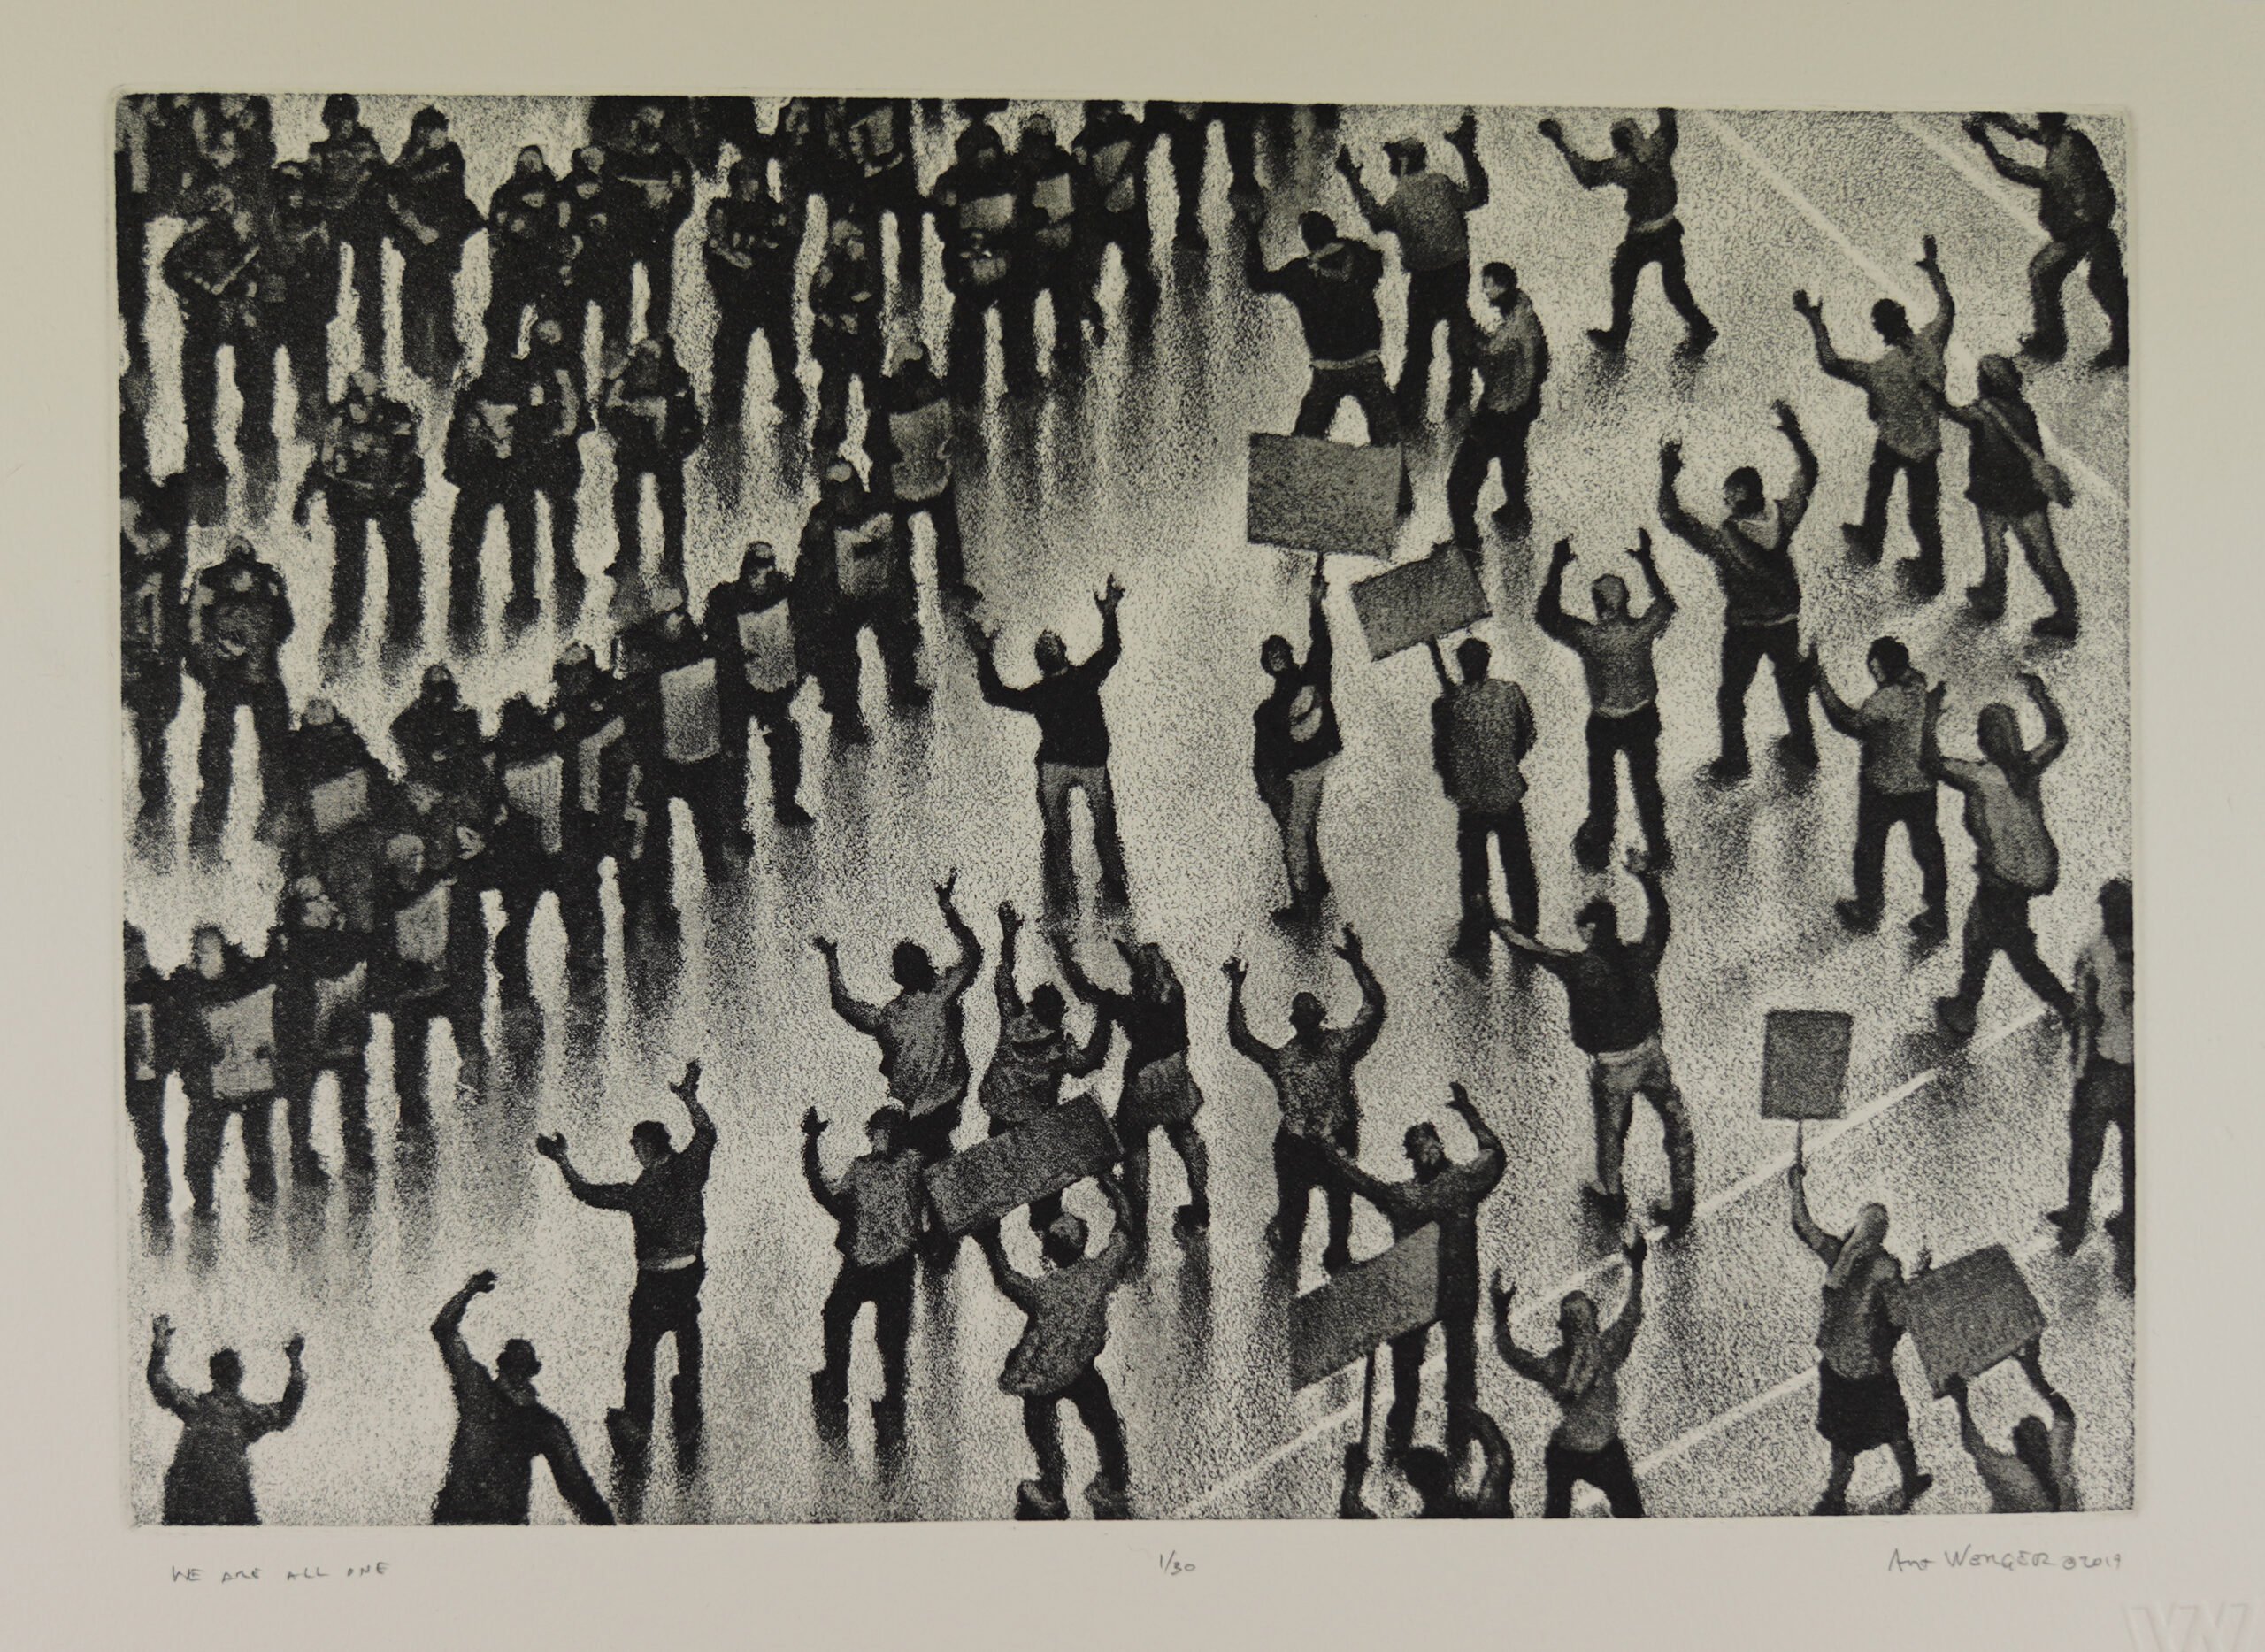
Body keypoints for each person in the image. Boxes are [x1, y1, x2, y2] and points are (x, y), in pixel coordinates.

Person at [1499, 850, 1695, 1232]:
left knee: (1610, 1128)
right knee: (1675, 1122)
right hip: (1651, 1052)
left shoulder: (1579, 968)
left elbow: (1536, 951)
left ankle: (1612, 1191)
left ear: (1589, 930)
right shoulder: (1639, 956)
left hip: (1612, 1064)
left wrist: (1505, 930)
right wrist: (1647, 880)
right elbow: (1661, 924)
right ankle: (1682, 1196)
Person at [1313, 1084, 1506, 1463]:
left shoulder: (1408, 1197)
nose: (1429, 1150)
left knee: (1421, 1376)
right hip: (1450, 1291)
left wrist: (1327, 1147)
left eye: (1428, 1143)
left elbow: (1361, 1182)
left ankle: (1409, 1442)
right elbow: (1495, 1153)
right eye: (1426, 1144)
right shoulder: (1461, 1184)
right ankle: (1448, 1440)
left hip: (1419, 1293)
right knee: (1448, 1373)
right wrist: (1469, 1113)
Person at [537, 1059, 715, 1451]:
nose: (632, 1150)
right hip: (687, 1275)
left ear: (648, 1146)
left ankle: (639, 1423)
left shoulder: (642, 1190)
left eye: (634, 1144)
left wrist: (562, 1160)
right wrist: (690, 1099)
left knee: (640, 1354)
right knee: (687, 1347)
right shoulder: (686, 1170)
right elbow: (706, 1132)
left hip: (655, 1282)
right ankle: (686, 1419)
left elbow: (587, 1193)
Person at [1656, 400, 1820, 781]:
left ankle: (1736, 762)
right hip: (1786, 619)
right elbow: (1809, 472)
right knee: (1791, 684)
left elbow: (1673, 519)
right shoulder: (1784, 516)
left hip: (1746, 626)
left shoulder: (1724, 541)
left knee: (1732, 696)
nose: (1724, 500)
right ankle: (1805, 747)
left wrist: (1667, 474)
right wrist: (1793, 432)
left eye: (1728, 495)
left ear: (1741, 496)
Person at [973, 1168, 1140, 1519]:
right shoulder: (1099, 1273)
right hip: (1082, 1368)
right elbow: (1125, 1229)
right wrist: (1112, 1186)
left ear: (1048, 1251)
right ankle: (1113, 1481)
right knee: (1104, 1423)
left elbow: (1008, 1279)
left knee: (1041, 1427)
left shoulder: (1043, 1294)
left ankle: (1051, 1487)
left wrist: (989, 1239)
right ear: (1083, 1244)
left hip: (1044, 1373)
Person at [1793, 236, 1956, 596]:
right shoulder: (1932, 343)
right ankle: (1933, 572)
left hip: (1893, 441)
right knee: (1922, 512)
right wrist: (1933, 267)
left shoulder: (1880, 372)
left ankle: (1871, 540)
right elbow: (1947, 307)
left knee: (1879, 490)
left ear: (1879, 330)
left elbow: (1830, 363)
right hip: (1926, 444)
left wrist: (1814, 320)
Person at [1921, 672, 2077, 1040]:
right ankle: (1966, 1003)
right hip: (2036, 870)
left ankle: (1971, 1009)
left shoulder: (1979, 776)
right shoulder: (2029, 764)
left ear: (1987, 740)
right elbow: (2058, 736)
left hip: (2004, 877)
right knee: (1986, 934)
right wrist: (2041, 696)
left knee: (2003, 942)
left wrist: (1930, 713)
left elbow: (1931, 761)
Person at [1225, 924, 1387, 1275]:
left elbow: (1243, 1040)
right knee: (1312, 1207)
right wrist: (1235, 990)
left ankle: (1319, 1255)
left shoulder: (1320, 1052)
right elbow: (1374, 1008)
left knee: (1330, 1207)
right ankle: (1306, 1253)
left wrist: (1358, 963)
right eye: (1305, 1011)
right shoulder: (1316, 1052)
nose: (1308, 1015)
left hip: (1316, 1141)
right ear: (1300, 1021)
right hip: (1308, 1143)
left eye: (1310, 1009)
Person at [968, 577, 1131, 911]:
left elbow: (995, 694)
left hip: (1054, 764)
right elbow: (1112, 651)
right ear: (1064, 653)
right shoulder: (1084, 679)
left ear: (1040, 662)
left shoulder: (1039, 695)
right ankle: (1114, 887)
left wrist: (984, 655)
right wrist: (1110, 614)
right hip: (1091, 763)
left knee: (1057, 831)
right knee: (1104, 825)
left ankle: (1060, 891)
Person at [1787, 1159, 1933, 1515]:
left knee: (1844, 1441)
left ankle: (1834, 1498)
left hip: (1837, 1369)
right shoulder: (1886, 1268)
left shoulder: (1838, 1255)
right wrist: (1920, 1277)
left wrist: (1795, 1188)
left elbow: (1804, 1227)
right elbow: (1900, 1315)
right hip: (1872, 1371)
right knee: (1896, 1426)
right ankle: (1910, 1478)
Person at [1240, 206, 1409, 507]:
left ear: (1307, 241)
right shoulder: (1360, 260)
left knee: (1308, 434)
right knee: (1385, 431)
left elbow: (1258, 281)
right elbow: (1378, 259)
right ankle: (1400, 500)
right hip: (1367, 363)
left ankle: (1296, 498)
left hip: (1327, 370)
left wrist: (1252, 232)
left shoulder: (1299, 274)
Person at [812, 872, 983, 1169]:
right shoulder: (893, 1014)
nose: (908, 969)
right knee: (927, 1161)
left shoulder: (938, 995)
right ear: (899, 974)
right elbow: (844, 1005)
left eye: (911, 963)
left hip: (939, 1101)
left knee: (927, 1158)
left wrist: (948, 910)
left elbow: (972, 955)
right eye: (903, 965)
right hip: (920, 1106)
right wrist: (831, 960)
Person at [1051, 931, 1211, 1241]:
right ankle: (1201, 1205)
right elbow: (1148, 974)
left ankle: (1136, 1223)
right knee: (1184, 1135)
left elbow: (1084, 990)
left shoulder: (1124, 1007)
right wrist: (1126, 950)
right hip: (1176, 1075)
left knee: (1135, 1146)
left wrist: (1063, 954)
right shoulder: (1175, 995)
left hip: (1143, 1084)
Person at [1536, 533, 1676, 873]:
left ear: (1598, 604)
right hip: (1642, 715)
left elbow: (1546, 615)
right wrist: (1648, 563)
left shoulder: (1589, 638)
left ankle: (1598, 850)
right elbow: (1667, 606)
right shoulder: (1641, 632)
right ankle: (1659, 849)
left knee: (1603, 791)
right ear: (1626, 601)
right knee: (1646, 786)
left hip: (1604, 721)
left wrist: (1556, 567)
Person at [1337, 111, 1491, 419]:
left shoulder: (1402, 196)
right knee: (1457, 332)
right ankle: (1459, 396)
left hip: (1424, 279)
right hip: (1455, 271)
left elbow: (1377, 220)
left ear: (1406, 161)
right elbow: (1476, 196)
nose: (1391, 165)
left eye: (1393, 158)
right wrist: (1466, 153)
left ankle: (1410, 401)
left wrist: (1354, 180)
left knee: (1419, 342)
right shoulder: (1441, 184)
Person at [429, 1271, 614, 1525]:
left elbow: (443, 1329)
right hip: (504, 1527)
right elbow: (579, 1492)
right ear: (531, 1373)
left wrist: (469, 1290)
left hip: (454, 1520)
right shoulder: (543, 1425)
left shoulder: (476, 1391)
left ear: (500, 1367)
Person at [977, 902, 1115, 1235]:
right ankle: (1047, 1234)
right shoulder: (1057, 1047)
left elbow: (1002, 977)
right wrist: (1105, 1019)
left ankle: (993, 1236)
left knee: (1000, 1182)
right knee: (1046, 1193)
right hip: (1034, 1123)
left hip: (1001, 1116)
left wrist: (1008, 935)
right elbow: (1087, 1064)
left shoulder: (1013, 1021)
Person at [1491, 1228, 1649, 1517]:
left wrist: (1500, 1314)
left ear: (1562, 1329)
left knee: (1556, 1514)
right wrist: (1637, 1267)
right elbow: (1632, 1314)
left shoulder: (1554, 1367)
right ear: (1595, 1321)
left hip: (1566, 1452)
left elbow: (1513, 1356)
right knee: (1632, 1513)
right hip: (1605, 1449)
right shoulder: (1606, 1352)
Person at [1538, 108, 1716, 356]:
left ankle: (1618, 337)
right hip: (1668, 229)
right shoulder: (1658, 149)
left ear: (1618, 145)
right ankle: (1701, 327)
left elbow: (1589, 175)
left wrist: (1561, 142)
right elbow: (1668, 127)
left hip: (1642, 236)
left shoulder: (1623, 166)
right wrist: (1666, 111)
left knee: (1623, 282)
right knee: (1674, 285)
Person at [1809, 636, 1948, 940]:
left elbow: (1848, 723)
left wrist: (1822, 685)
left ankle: (1869, 907)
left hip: (1882, 786)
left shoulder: (1886, 700)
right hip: (1922, 785)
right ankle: (1937, 913)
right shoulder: (1919, 686)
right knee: (1928, 850)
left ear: (1879, 667)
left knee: (1870, 850)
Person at [802, 1105, 925, 1448]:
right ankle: (835, 1384)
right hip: (861, 1261)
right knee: (836, 1317)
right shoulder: (861, 1169)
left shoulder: (914, 1164)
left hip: (895, 1265)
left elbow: (941, 1193)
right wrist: (811, 1145)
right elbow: (828, 1194)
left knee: (892, 1336)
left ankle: (891, 1399)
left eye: (887, 1131)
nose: (880, 1139)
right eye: (876, 1132)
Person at [1934, 355, 2081, 638]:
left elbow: (1954, 413)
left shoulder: (1985, 411)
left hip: (1993, 494)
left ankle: (1995, 600)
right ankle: (2066, 612)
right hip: (2027, 495)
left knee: (1996, 548)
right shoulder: (2023, 410)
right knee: (2044, 556)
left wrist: (1936, 388)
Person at [1963, 113, 2126, 369]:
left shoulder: (2058, 166)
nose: (2038, 132)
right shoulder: (2071, 140)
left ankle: (2059, 344)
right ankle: (2060, 340)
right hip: (2091, 224)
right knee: (2076, 279)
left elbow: (2012, 170)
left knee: (2070, 279)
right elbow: (2036, 136)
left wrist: (1985, 142)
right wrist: (2004, 123)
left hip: (2083, 232)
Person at [617, 576, 744, 894]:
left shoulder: (702, 649)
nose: (679, 618)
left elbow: (725, 698)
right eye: (670, 614)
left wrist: (727, 742)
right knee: (658, 836)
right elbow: (635, 717)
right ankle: (661, 895)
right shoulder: (643, 663)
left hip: (703, 754)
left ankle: (714, 865)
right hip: (664, 762)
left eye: (681, 611)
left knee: (709, 817)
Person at [794, 457, 930, 736]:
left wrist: (904, 591)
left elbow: (900, 550)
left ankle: (903, 685)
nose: (844, 497)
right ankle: (846, 717)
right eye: (837, 490)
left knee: (898, 639)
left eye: (848, 488)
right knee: (842, 662)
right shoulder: (820, 524)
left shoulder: (879, 508)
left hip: (881, 591)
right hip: (842, 601)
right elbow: (808, 569)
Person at [1429, 634, 1539, 956]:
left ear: (1461, 666)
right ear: (1488, 662)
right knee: (1518, 864)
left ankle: (1476, 938)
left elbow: (1441, 754)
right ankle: (1526, 928)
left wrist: (1457, 784)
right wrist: (1506, 762)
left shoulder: (1447, 705)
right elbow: (1527, 735)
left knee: (1475, 871)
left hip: (1472, 801)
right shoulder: (1510, 693)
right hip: (1507, 793)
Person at [298, 371, 424, 646]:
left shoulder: (396, 416)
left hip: (386, 492)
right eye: (355, 400)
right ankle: (346, 619)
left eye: (365, 401)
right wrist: (305, 497)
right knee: (349, 558)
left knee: (402, 551)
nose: (359, 408)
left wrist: (403, 489)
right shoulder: (338, 419)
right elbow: (321, 462)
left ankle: (405, 615)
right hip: (349, 494)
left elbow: (410, 459)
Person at [183, 537, 293, 850]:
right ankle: (228, 825)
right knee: (264, 750)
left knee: (224, 753)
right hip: (251, 672)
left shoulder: (211, 577)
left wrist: (210, 661)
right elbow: (284, 624)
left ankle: (211, 827)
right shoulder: (266, 576)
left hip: (234, 674)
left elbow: (194, 627)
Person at [166, 923, 282, 1217]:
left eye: (210, 950)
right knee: (202, 1146)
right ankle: (203, 1201)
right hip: (209, 1081)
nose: (203, 956)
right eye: (199, 951)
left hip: (249, 1075)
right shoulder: (184, 986)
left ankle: (262, 1193)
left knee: (258, 1137)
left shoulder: (242, 978)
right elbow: (181, 1039)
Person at [146, 1316, 305, 1525]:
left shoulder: (196, 1407)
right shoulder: (245, 1415)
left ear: (213, 1374)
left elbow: (158, 1380)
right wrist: (295, 1362)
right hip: (228, 1502)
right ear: (239, 1375)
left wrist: (160, 1345)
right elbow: (286, 1411)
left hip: (191, 1501)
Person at [1253, 563, 1345, 923]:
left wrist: (1315, 605)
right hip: (1319, 762)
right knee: (1306, 826)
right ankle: (1318, 882)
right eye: (1272, 655)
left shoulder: (1272, 709)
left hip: (1302, 772)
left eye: (1278, 653)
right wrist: (1316, 603)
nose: (1277, 659)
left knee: (1293, 839)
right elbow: (1322, 645)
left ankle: (1304, 903)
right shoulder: (1310, 679)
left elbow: (1322, 642)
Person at [161, 183, 273, 480]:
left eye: (228, 205)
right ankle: (202, 454)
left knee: (255, 373)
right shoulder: (201, 230)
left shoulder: (245, 230)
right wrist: (202, 287)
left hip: (237, 310)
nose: (225, 211)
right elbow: (172, 266)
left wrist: (251, 284)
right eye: (219, 206)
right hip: (206, 314)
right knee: (199, 387)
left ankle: (253, 431)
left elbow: (258, 263)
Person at [2048, 877, 2134, 1253]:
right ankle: (2131, 1216)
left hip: (2103, 1069)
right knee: (2134, 1149)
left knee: (2085, 1150)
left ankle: (2076, 1217)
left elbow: (2084, 1016)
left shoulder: (2094, 955)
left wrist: (2080, 1069)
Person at [272, 876, 377, 1184]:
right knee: (306, 1101)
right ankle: (312, 1161)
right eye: (320, 898)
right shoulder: (294, 944)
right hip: (309, 1035)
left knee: (348, 1097)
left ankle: (352, 1156)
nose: (329, 901)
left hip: (339, 1032)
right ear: (303, 909)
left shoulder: (303, 941)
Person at [703, 540, 812, 829]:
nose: (759, 576)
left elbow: (801, 634)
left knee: (786, 740)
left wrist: (797, 674)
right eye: (754, 568)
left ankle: (785, 804)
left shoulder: (786, 593)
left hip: (774, 684)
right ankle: (733, 822)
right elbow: (713, 643)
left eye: (766, 567)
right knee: (734, 755)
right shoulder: (724, 599)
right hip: (736, 689)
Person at [930, 121, 1040, 402]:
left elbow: (1026, 218)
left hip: (1002, 261)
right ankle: (1003, 385)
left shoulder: (960, 182)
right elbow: (945, 229)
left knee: (1006, 323)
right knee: (983, 325)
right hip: (981, 263)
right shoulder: (1006, 176)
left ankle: (992, 386)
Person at [1444, 263, 1548, 550]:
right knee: (1512, 458)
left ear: (1501, 287)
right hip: (1521, 409)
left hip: (1498, 412)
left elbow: (1490, 364)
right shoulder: (1524, 312)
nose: (1484, 289)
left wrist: (1470, 341)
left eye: (1487, 284)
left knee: (1459, 485)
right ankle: (1516, 509)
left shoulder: (1511, 335)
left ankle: (1467, 544)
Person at [703, 158, 806, 424]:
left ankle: (791, 403)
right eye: (743, 180)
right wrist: (734, 256)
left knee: (783, 350)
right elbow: (715, 246)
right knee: (728, 352)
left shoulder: (772, 210)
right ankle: (726, 407)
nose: (749, 186)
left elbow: (783, 248)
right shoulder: (722, 209)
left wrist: (745, 255)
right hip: (739, 296)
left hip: (770, 293)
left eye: (754, 180)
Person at [866, 340, 971, 599]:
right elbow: (873, 445)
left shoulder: (925, 395)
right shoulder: (926, 395)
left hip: (921, 480)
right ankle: (915, 591)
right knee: (913, 537)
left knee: (935, 533)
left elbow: (950, 432)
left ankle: (942, 585)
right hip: (918, 482)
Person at [441, 362, 541, 628]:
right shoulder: (476, 397)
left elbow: (532, 437)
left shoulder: (510, 395)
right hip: (486, 475)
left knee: (514, 541)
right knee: (475, 542)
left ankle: (469, 603)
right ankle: (471, 602)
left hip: (502, 476)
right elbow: (457, 439)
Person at [384, 107, 480, 380]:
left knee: (439, 298)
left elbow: (452, 196)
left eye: (436, 129)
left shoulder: (449, 154)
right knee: (416, 297)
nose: (431, 136)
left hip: (442, 238)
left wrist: (432, 230)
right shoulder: (408, 158)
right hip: (417, 241)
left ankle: (444, 358)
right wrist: (412, 224)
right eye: (425, 130)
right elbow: (395, 193)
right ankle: (418, 360)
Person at [600, 335, 704, 579]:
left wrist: (673, 436)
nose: (646, 363)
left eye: (652, 357)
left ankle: (672, 557)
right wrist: (628, 416)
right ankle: (628, 554)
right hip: (634, 448)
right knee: (625, 499)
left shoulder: (677, 379)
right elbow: (608, 413)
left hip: (665, 449)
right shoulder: (624, 379)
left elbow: (692, 423)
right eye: (642, 357)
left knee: (672, 505)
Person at [1942, 1339, 2082, 1512]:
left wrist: (1961, 1401)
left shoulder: (2018, 1483)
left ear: (2022, 1448)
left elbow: (1976, 1447)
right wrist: (2035, 1372)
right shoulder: (2058, 1468)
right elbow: (2065, 1416)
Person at [121, 477, 188, 816]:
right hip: (132, 648)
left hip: (152, 654)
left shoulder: (159, 555)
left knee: (151, 726)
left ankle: (154, 788)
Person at [1016, 113, 1102, 374]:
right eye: (1035, 143)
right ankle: (1028, 367)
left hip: (1063, 248)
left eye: (1043, 143)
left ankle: (1070, 354)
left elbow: (1082, 204)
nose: (1040, 149)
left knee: (1066, 301)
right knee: (1024, 312)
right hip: (1035, 252)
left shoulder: (1064, 164)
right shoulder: (1018, 171)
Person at [306, 95, 388, 364]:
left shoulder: (366, 147)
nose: (342, 126)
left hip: (363, 220)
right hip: (334, 218)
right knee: (325, 274)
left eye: (346, 120)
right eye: (337, 121)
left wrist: (349, 195)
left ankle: (371, 344)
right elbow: (313, 186)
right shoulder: (320, 150)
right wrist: (327, 202)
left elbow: (377, 179)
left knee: (369, 285)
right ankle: (324, 322)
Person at [518, 317, 589, 610]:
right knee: (527, 520)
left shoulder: (570, 370)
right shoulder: (527, 371)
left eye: (553, 338)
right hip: (535, 450)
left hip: (561, 450)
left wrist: (567, 428)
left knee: (563, 510)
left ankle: (565, 564)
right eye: (543, 339)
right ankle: (527, 583)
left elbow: (577, 408)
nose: (549, 345)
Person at [604, 104, 695, 335]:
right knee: (618, 288)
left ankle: (657, 341)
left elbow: (684, 203)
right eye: (642, 120)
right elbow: (611, 194)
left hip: (658, 233)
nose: (644, 126)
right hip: (626, 233)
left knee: (660, 291)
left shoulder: (675, 163)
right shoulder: (622, 159)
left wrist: (666, 224)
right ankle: (616, 340)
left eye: (652, 121)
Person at [264, 159, 337, 441]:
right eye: (288, 189)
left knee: (312, 364)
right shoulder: (271, 218)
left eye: (299, 189)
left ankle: (313, 414)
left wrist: (325, 304)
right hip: (278, 302)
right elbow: (277, 248)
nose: (295, 195)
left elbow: (327, 264)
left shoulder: (316, 220)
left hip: (308, 303)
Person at [1340, 1402, 1513, 1518]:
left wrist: (1354, 1475)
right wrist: (1479, 1420)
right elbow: (1500, 1459)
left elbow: (1355, 1510)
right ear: (1447, 1474)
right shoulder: (1483, 1514)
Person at [807, 217, 885, 454]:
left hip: (863, 337)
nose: (858, 246)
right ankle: (830, 430)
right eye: (852, 241)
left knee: (872, 386)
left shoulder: (868, 266)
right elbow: (817, 301)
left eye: (860, 241)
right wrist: (840, 319)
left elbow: (875, 297)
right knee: (833, 387)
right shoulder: (830, 268)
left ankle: (878, 429)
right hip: (837, 341)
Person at [1071, 101, 1160, 304]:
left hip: (1112, 211)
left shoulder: (1086, 140)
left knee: (1119, 261)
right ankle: (1141, 297)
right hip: (1126, 210)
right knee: (1135, 261)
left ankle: (1135, 296)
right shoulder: (1129, 130)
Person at [837, 96, 924, 298]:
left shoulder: (889, 108)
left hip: (893, 168)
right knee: (871, 224)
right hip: (874, 172)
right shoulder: (858, 115)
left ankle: (909, 278)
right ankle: (873, 282)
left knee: (907, 223)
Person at [484, 145, 560, 357]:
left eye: (534, 161)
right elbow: (496, 226)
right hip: (512, 265)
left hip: (544, 264)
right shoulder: (505, 193)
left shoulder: (554, 193)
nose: (529, 166)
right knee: (502, 321)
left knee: (547, 322)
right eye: (524, 162)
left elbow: (557, 226)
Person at [124, 925, 174, 1217]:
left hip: (145, 1072)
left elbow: (169, 1028)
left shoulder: (153, 985)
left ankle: (157, 1195)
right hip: (137, 1071)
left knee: (150, 1134)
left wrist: (161, 1063)